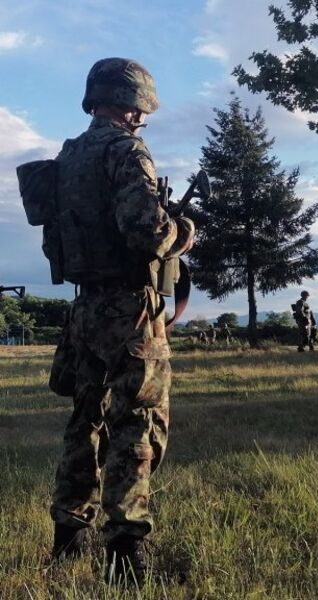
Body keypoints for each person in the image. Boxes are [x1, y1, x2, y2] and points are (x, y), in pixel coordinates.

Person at [42, 58, 195, 584]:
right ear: (133, 105)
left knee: (84, 422)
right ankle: (125, 552)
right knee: (138, 423)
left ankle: (67, 537)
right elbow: (146, 232)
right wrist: (184, 231)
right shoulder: (127, 150)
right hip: (130, 309)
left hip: (84, 308)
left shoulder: (69, 155)